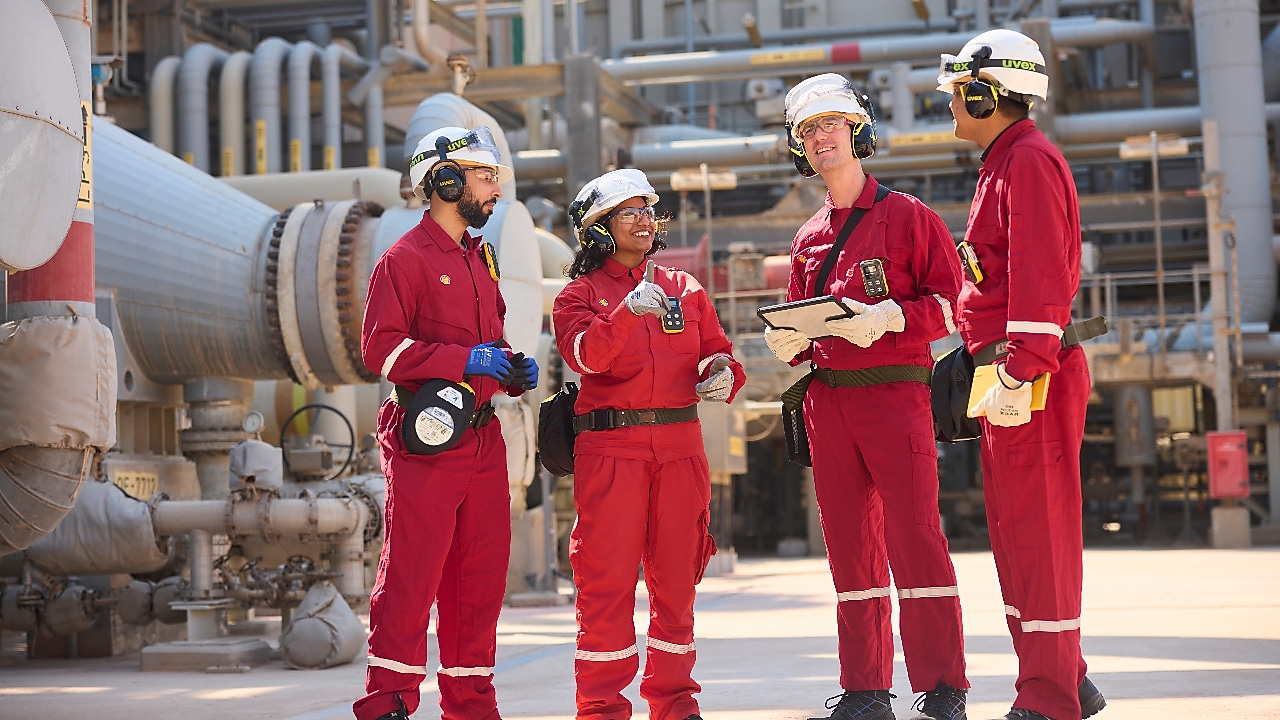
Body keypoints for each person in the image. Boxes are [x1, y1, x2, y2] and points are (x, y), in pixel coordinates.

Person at [763, 73, 969, 720]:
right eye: (808, 131)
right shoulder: (807, 238)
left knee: (915, 539)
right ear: (801, 147)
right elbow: (806, 319)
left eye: (831, 125)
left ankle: (943, 686)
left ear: (857, 131)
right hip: (829, 404)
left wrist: (889, 318)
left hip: (896, 396)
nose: (821, 138)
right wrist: (789, 342)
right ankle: (865, 688)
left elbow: (951, 303)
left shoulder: (911, 218)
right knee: (850, 547)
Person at [937, 29, 1106, 720]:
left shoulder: (1027, 162)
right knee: (1016, 535)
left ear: (987, 92)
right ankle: (1071, 678)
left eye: (959, 90)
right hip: (1008, 374)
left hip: (1028, 374)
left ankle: (1048, 700)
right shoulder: (1004, 162)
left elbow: (1042, 280)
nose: (950, 100)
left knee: (1039, 538)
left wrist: (1018, 370)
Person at [354, 125, 538, 720]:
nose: (494, 191)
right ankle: (388, 702)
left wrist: (508, 366)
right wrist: (465, 361)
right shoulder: (403, 260)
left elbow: (486, 339)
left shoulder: (479, 259)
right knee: (412, 572)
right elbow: (379, 351)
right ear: (445, 180)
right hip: (427, 438)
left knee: (479, 580)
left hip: (483, 437)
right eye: (485, 177)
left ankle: (470, 706)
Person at [552, 168, 745, 720]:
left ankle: (675, 704)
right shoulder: (577, 296)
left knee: (678, 577)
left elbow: (718, 350)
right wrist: (627, 312)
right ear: (598, 230)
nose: (644, 219)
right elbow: (588, 357)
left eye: (647, 209)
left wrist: (722, 371)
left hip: (681, 448)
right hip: (612, 451)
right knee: (606, 582)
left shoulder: (687, 289)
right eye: (628, 211)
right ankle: (602, 709)